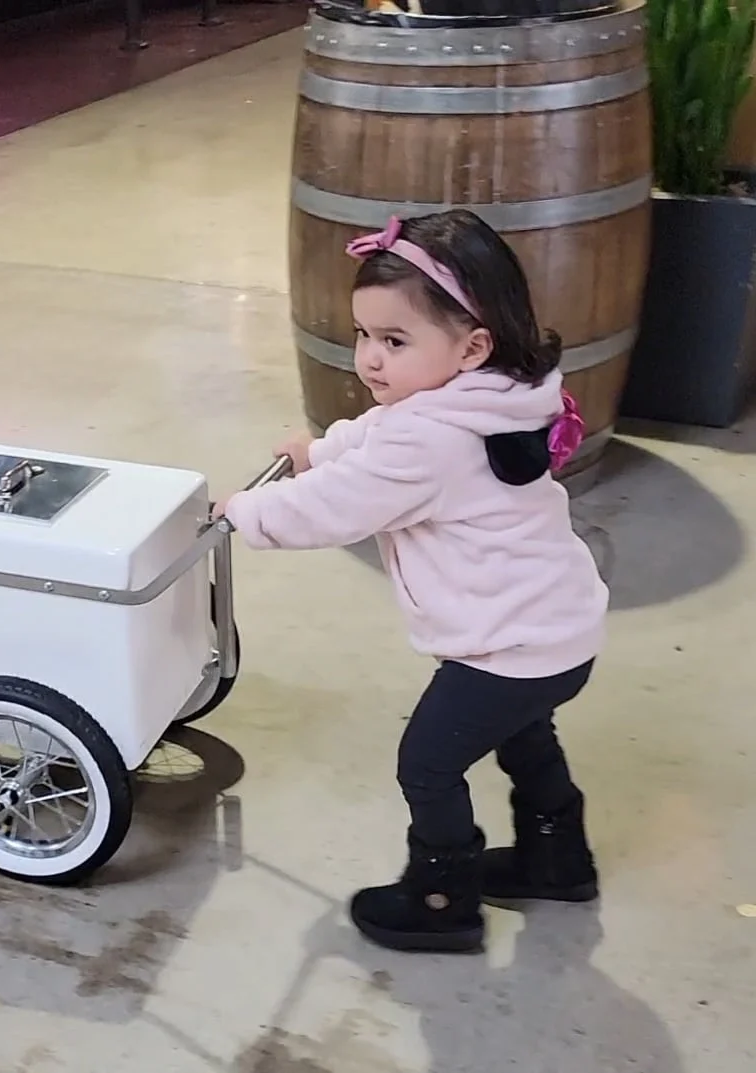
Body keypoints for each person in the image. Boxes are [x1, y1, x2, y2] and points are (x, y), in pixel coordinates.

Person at [213, 210, 609, 954]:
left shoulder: (430, 438)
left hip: (508, 643)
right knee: (526, 735)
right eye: (364, 335)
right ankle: (556, 858)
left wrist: (247, 511)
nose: (370, 359)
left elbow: (338, 506)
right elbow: (379, 439)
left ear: (472, 345)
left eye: (395, 341)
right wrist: (323, 449)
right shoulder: (497, 393)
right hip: (557, 630)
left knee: (427, 762)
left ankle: (441, 898)